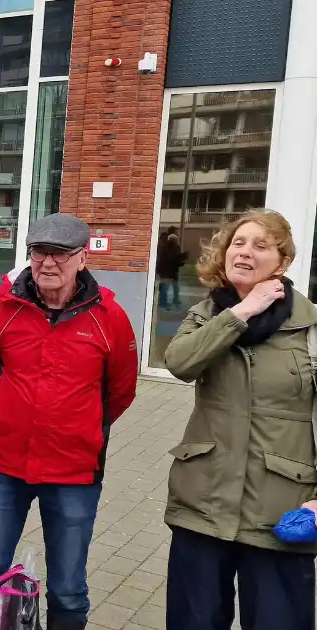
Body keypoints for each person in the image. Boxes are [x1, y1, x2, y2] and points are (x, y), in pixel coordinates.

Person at [0, 212, 138, 630]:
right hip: (3, 465)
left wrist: (81, 427)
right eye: (39, 252)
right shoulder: (2, 310)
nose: (47, 263)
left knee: (67, 587)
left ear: (83, 259)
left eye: (60, 255)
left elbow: (120, 391)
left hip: (74, 471)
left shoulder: (109, 318)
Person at [162, 210, 317, 629]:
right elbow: (180, 362)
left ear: (282, 263)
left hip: (281, 513)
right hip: (203, 504)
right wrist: (241, 312)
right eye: (238, 243)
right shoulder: (207, 313)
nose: (245, 252)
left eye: (260, 245)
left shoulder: (311, 327)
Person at [156, 227, 187, 310]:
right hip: (167, 272)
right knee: (165, 289)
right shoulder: (165, 247)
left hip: (172, 271)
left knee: (174, 287)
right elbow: (166, 259)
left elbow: (175, 259)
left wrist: (181, 259)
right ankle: (163, 303)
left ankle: (173, 301)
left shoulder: (175, 248)